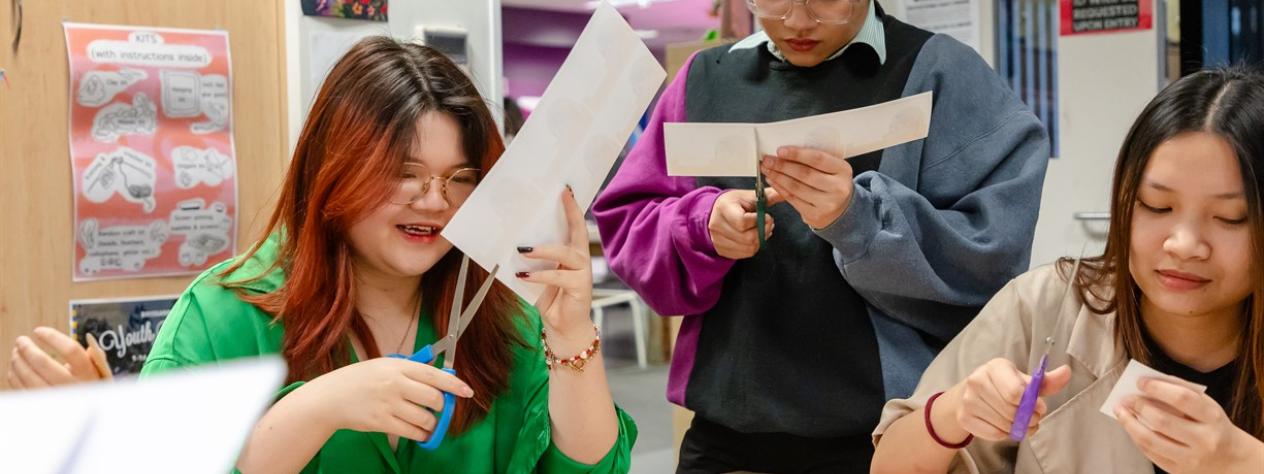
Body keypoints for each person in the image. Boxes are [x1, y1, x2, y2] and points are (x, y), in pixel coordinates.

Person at [10, 37, 635, 473]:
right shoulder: (226, 315)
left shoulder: (501, 315)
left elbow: (587, 468)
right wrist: (319, 408)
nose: (434, 203)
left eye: (459, 177)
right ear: (334, 171)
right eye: (402, 172)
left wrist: (572, 336)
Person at [591, 0, 1049, 471]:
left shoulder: (940, 72)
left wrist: (857, 218)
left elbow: (993, 253)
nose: (799, 20)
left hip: (888, 439)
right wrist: (702, 228)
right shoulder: (705, 78)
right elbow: (629, 220)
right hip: (728, 435)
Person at [871, 67, 1264, 473]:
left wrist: (1240, 459)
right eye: (1156, 206)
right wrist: (954, 413)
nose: (1183, 245)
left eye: (1230, 217)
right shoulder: (1045, 306)